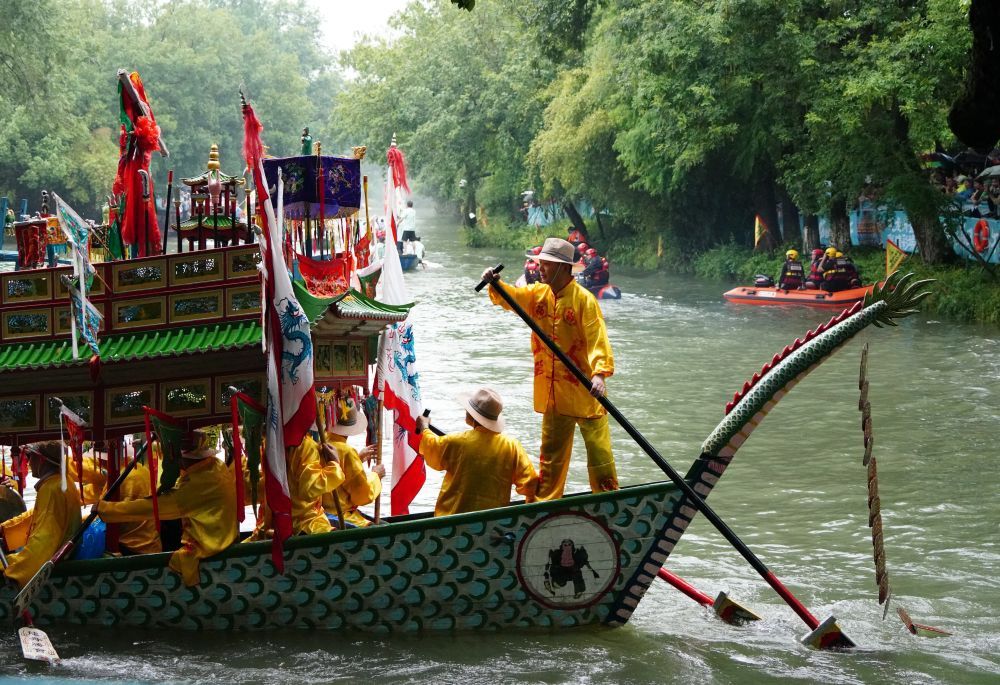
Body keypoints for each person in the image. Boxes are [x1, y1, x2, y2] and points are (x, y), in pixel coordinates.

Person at [481, 237, 618, 500]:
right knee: (551, 456)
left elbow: (596, 337)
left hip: (586, 390)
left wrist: (599, 373)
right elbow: (513, 298)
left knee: (599, 453)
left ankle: (608, 499)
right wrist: (494, 282)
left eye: (546, 264)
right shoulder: (538, 295)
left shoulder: (584, 300)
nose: (540, 269)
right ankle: (546, 503)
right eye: (540, 263)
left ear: (563, 268)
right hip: (554, 391)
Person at [95, 430, 236, 587]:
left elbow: (154, 507)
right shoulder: (216, 466)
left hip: (208, 547)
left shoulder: (198, 484)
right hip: (214, 536)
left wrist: (105, 510)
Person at [414, 387, 537, 516]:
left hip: (452, 520)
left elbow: (431, 446)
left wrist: (424, 427)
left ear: (472, 415)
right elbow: (530, 484)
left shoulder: (456, 442)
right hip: (493, 522)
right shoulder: (512, 447)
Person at [1, 441, 82, 588]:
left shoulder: (52, 489)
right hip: (60, 552)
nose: (28, 462)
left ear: (41, 460)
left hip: (56, 561)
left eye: (30, 456)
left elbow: (43, 540)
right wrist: (6, 528)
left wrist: (15, 572)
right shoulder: (61, 482)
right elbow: (38, 514)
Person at [322, 399, 385, 528]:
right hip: (340, 515)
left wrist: (358, 458)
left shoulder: (321, 442)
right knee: (384, 528)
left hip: (321, 515)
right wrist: (375, 475)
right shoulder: (346, 451)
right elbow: (362, 496)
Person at [287, 432, 345, 535]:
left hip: (275, 520)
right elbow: (309, 489)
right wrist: (335, 465)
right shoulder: (307, 445)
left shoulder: (271, 442)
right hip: (306, 522)